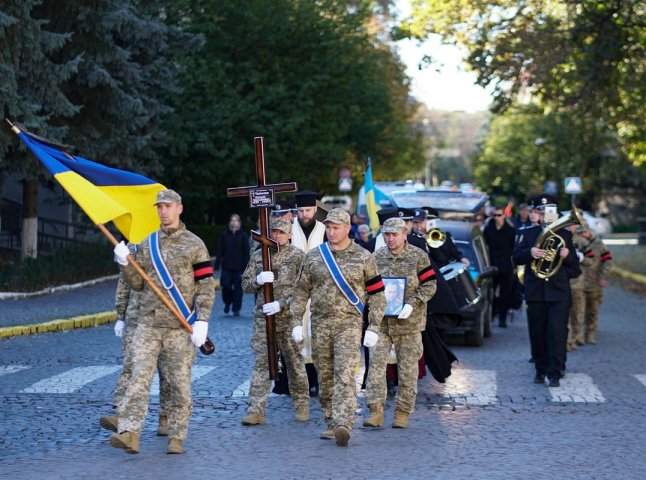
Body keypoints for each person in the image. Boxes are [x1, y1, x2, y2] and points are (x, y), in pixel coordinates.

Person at [110, 189, 215, 454]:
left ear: (179, 208)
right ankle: (130, 433)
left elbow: (205, 285)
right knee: (138, 379)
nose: (163, 211)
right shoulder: (148, 243)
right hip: (148, 324)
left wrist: (202, 320)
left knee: (179, 384)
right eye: (159, 207)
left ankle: (177, 435)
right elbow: (137, 283)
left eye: (168, 206)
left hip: (179, 327)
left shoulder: (195, 244)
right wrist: (125, 263)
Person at [290, 208, 386, 447]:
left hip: (349, 324)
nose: (331, 232)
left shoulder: (364, 257)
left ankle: (344, 423)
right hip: (320, 323)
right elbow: (300, 291)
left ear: (347, 228)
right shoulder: (314, 256)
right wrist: (295, 322)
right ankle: (331, 421)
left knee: (344, 372)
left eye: (336, 228)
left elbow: (377, 294)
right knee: (325, 375)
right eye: (329, 228)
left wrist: (373, 326)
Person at [364, 218, 437, 429]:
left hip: (409, 324)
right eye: (386, 235)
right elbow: (368, 286)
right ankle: (375, 411)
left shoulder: (418, 256)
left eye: (394, 235)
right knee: (376, 367)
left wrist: (413, 304)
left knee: (408, 371)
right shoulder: (376, 257)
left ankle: (402, 412)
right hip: (382, 323)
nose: (390, 239)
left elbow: (430, 284)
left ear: (405, 234)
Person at [240, 217, 309, 425]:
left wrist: (282, 304)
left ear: (290, 235)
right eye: (274, 232)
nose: (277, 235)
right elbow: (245, 284)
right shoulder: (259, 256)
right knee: (262, 362)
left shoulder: (298, 257)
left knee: (294, 362)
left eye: (281, 232)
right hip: (264, 318)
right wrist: (258, 280)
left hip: (288, 318)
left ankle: (302, 404)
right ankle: (256, 409)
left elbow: (303, 290)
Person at [99, 248, 171, 436]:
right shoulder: (133, 245)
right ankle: (122, 415)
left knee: (167, 371)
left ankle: (166, 417)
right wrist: (121, 315)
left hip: (163, 318)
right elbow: (124, 282)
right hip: (135, 318)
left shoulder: (168, 242)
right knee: (131, 366)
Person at [513, 194, 580, 388]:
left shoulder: (565, 235)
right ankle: (540, 371)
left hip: (559, 294)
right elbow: (515, 258)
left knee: (557, 333)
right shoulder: (527, 233)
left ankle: (556, 372)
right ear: (537, 214)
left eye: (549, 212)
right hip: (535, 293)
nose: (545, 215)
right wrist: (530, 253)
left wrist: (567, 257)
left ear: (555, 213)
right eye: (541, 212)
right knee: (538, 333)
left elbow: (575, 270)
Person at [291, 190, 327, 396]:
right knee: (296, 336)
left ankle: (318, 381)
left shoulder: (324, 230)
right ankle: (297, 383)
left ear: (315, 209)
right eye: (301, 210)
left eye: (308, 210)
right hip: (295, 292)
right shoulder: (289, 230)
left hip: (319, 290)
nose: (305, 214)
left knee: (318, 335)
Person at [578, 223, 613, 345]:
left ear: (589, 231)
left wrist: (604, 277)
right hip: (579, 283)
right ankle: (579, 335)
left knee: (593, 310)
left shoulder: (599, 245)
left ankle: (591, 333)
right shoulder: (578, 243)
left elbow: (608, 261)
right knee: (579, 311)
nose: (582, 235)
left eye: (583, 232)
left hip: (594, 283)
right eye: (579, 233)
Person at [483, 206, 517, 327]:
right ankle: (491, 315)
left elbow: (514, 248)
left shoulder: (510, 230)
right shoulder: (488, 229)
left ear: (504, 216)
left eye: (499, 215)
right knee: (490, 292)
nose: (497, 218)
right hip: (492, 265)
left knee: (505, 293)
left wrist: (514, 266)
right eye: (495, 215)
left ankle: (502, 318)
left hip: (505, 265)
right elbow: (485, 246)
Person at [214, 214, 249, 316]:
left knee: (238, 289)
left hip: (239, 268)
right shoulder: (224, 235)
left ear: (239, 222)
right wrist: (217, 265)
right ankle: (227, 303)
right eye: (232, 220)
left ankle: (236, 308)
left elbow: (246, 252)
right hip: (227, 267)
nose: (234, 222)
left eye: (236, 220)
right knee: (226, 287)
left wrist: (247, 267)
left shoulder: (243, 236)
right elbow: (220, 250)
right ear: (230, 222)